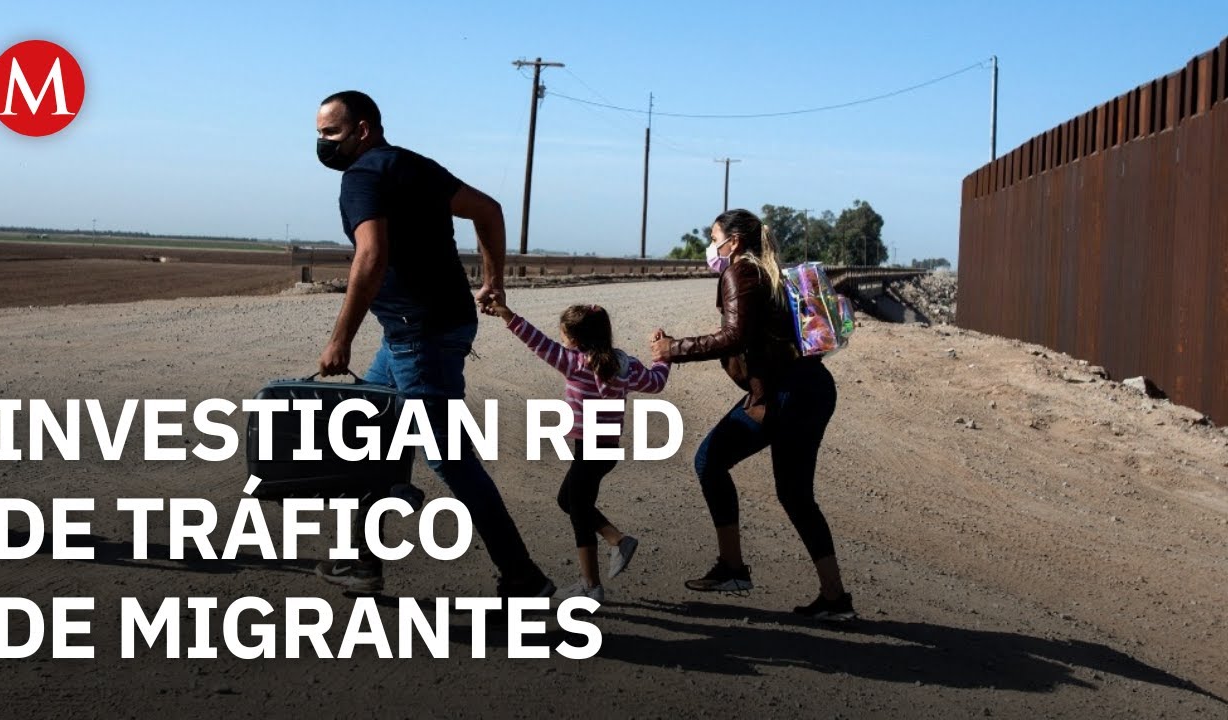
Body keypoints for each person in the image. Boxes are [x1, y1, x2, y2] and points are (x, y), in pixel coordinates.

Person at [312, 90, 552, 598]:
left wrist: (340, 340)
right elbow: (488, 211)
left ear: (362, 130)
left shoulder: (362, 177)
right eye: (319, 133)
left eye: (331, 132)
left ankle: (523, 577)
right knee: (371, 439)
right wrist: (493, 281)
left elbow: (371, 256)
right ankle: (362, 561)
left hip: (418, 337)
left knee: (449, 459)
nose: (323, 143)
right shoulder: (412, 165)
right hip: (428, 328)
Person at [650, 208, 855, 621]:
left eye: (714, 239)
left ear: (735, 241)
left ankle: (732, 568)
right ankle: (834, 599)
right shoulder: (768, 273)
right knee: (796, 495)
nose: (712, 247)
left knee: (709, 460)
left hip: (783, 396)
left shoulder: (740, 272)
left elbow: (733, 336)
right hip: (812, 389)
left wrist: (673, 349)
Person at [483, 299, 669, 602]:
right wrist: (662, 356)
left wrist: (506, 313)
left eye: (564, 335)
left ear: (574, 339)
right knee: (567, 500)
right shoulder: (627, 364)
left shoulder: (573, 362)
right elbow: (657, 382)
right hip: (606, 450)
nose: (561, 339)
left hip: (589, 450)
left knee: (579, 511)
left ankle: (591, 586)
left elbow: (534, 340)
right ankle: (617, 540)